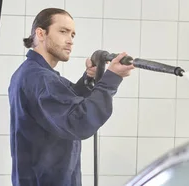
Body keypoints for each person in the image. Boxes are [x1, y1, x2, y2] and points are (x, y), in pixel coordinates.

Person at [8, 7, 135, 186]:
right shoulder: (41, 78)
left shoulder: (32, 73)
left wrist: (88, 78)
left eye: (73, 35)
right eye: (63, 32)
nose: (70, 41)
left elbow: (62, 106)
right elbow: (78, 121)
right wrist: (111, 79)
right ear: (41, 33)